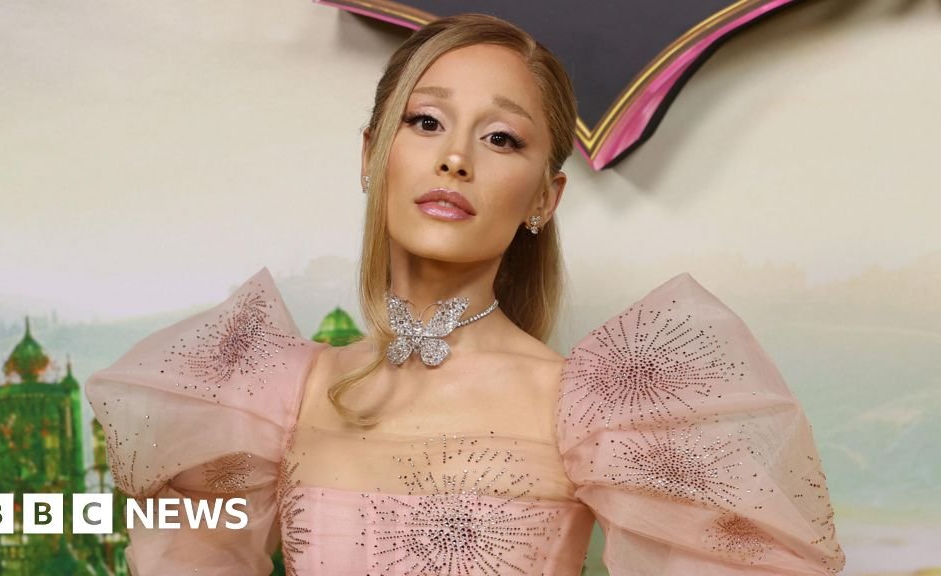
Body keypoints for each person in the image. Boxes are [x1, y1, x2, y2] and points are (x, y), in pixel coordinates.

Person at [86, 13, 846, 576]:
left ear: (544, 197)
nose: (455, 158)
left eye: (500, 138)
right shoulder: (267, 396)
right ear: (371, 155)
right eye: (426, 122)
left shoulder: (599, 411)